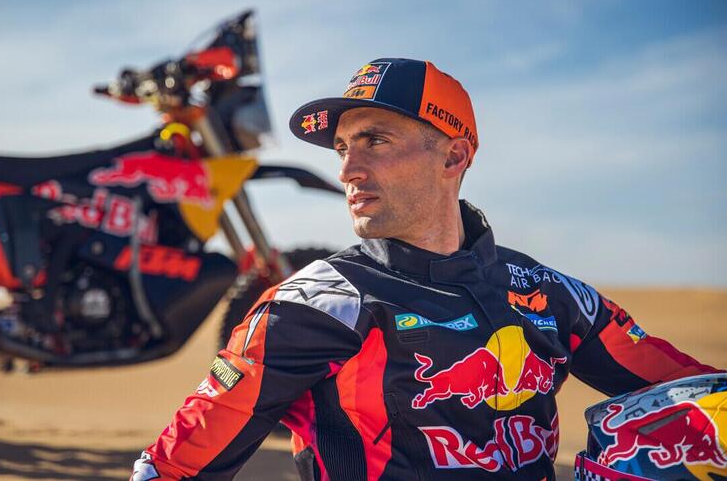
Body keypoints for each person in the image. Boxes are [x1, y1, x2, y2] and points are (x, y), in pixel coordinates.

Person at [130, 58, 721, 480]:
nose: (348, 170)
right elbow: (175, 467)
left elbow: (696, 392)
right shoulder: (313, 306)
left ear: (454, 155)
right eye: (343, 148)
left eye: (375, 141)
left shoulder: (552, 295)